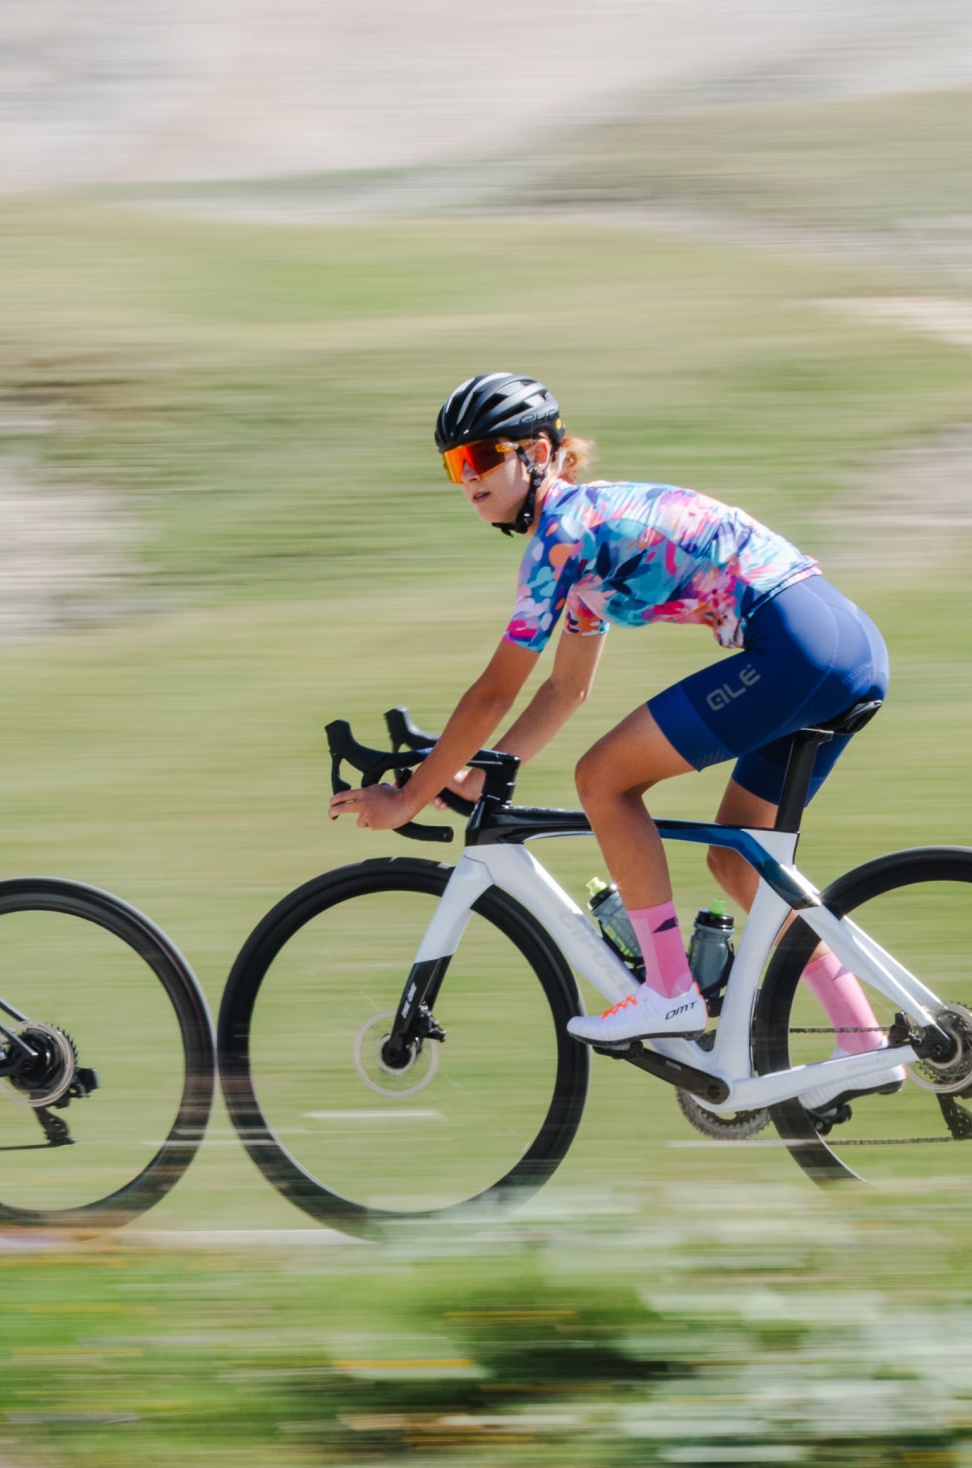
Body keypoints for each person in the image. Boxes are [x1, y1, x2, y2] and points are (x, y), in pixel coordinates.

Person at [328, 373, 890, 1051]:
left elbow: (495, 693)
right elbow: (566, 689)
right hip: (844, 643)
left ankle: (670, 992)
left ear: (538, 451)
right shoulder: (588, 541)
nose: (467, 477)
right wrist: (475, 778)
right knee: (739, 863)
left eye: (480, 456)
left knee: (603, 778)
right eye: (455, 464)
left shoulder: (561, 536)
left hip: (799, 647)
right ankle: (863, 1038)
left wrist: (409, 798)